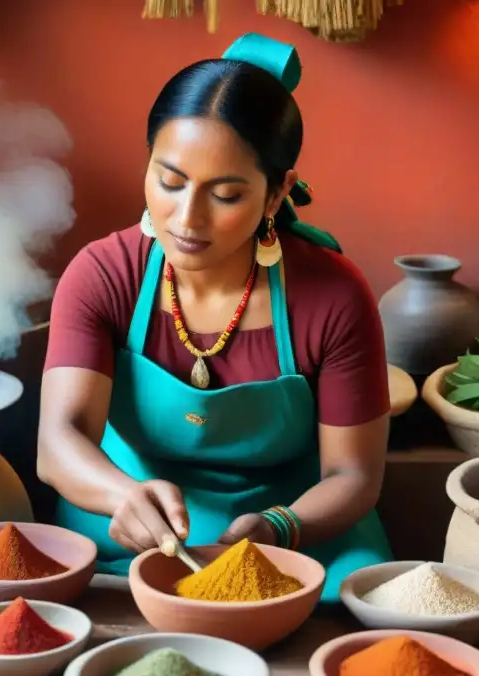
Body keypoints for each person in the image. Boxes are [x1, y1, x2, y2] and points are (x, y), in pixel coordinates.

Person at [37, 32, 392, 602]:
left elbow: (353, 476)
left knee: (353, 608)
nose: (187, 218)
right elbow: (59, 442)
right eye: (169, 181)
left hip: (296, 531)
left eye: (225, 195)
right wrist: (118, 497)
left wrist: (278, 528)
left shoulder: (332, 294)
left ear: (277, 195)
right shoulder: (104, 274)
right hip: (124, 525)